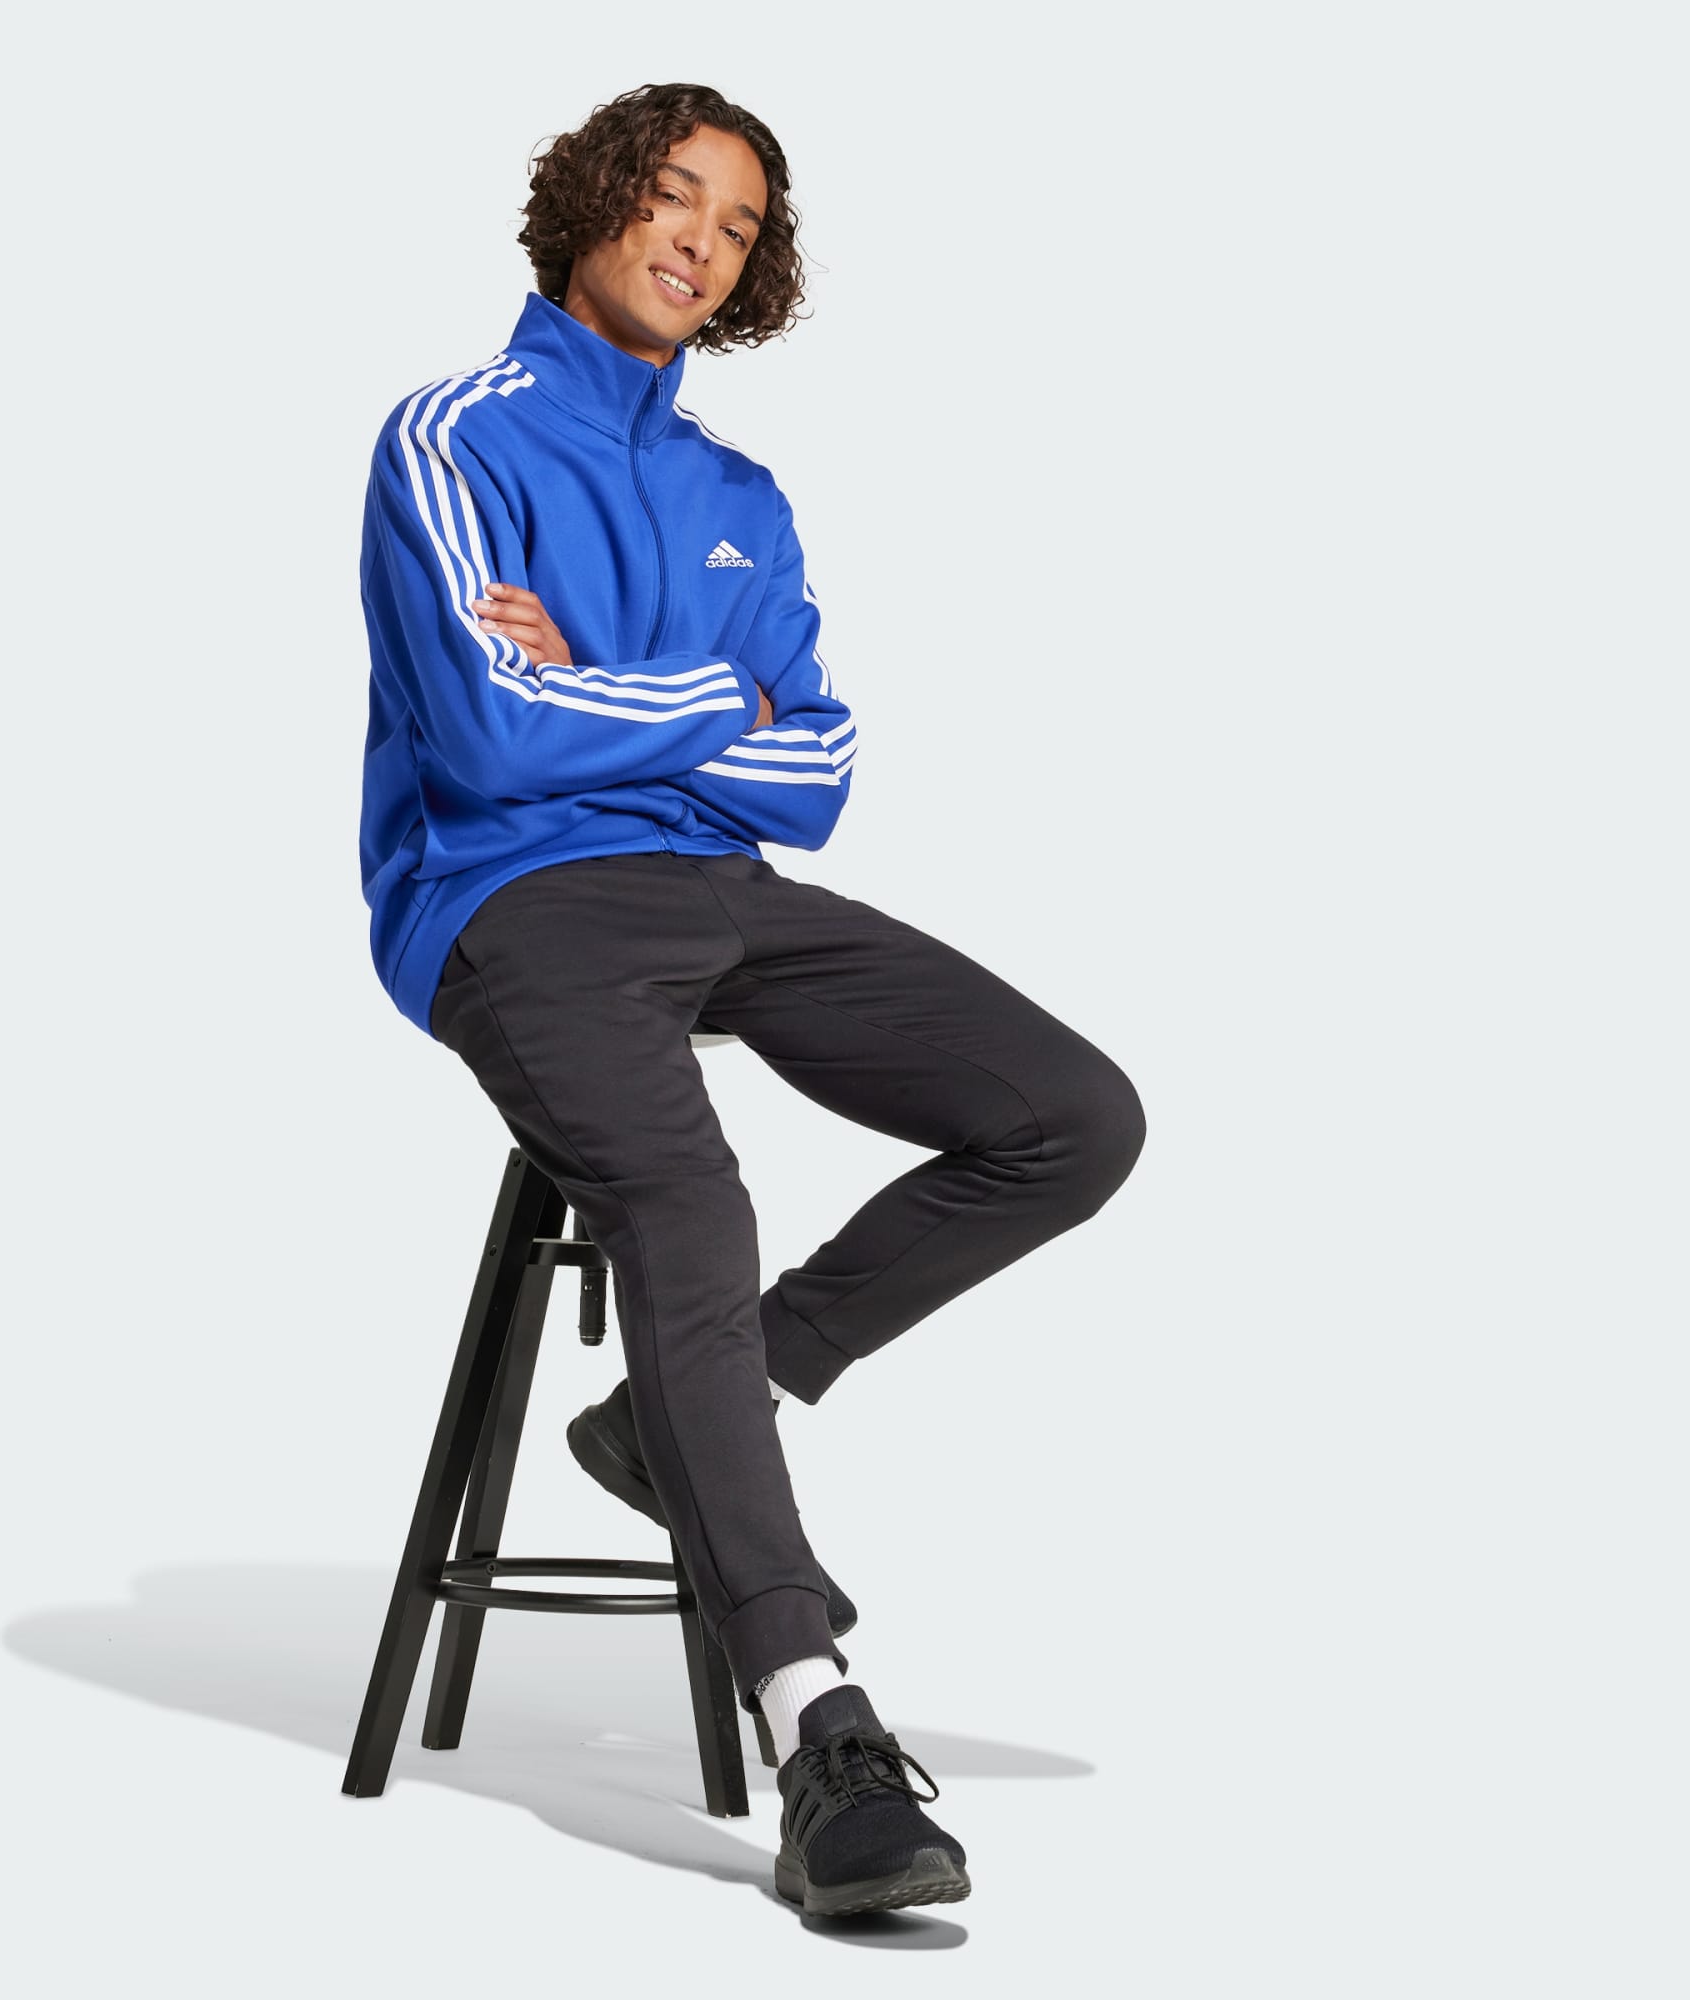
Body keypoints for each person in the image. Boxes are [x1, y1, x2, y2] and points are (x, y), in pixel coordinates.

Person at [357, 80, 1145, 1918]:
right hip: (507, 901)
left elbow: (823, 768)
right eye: (675, 198)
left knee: (1073, 1117)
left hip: (723, 890)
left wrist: (606, 690)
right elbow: (487, 740)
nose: (702, 242)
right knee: (691, 1204)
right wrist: (714, 699)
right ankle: (819, 1721)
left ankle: (701, 1407)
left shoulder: (741, 494)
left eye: (739, 224)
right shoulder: (451, 435)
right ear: (592, 203)